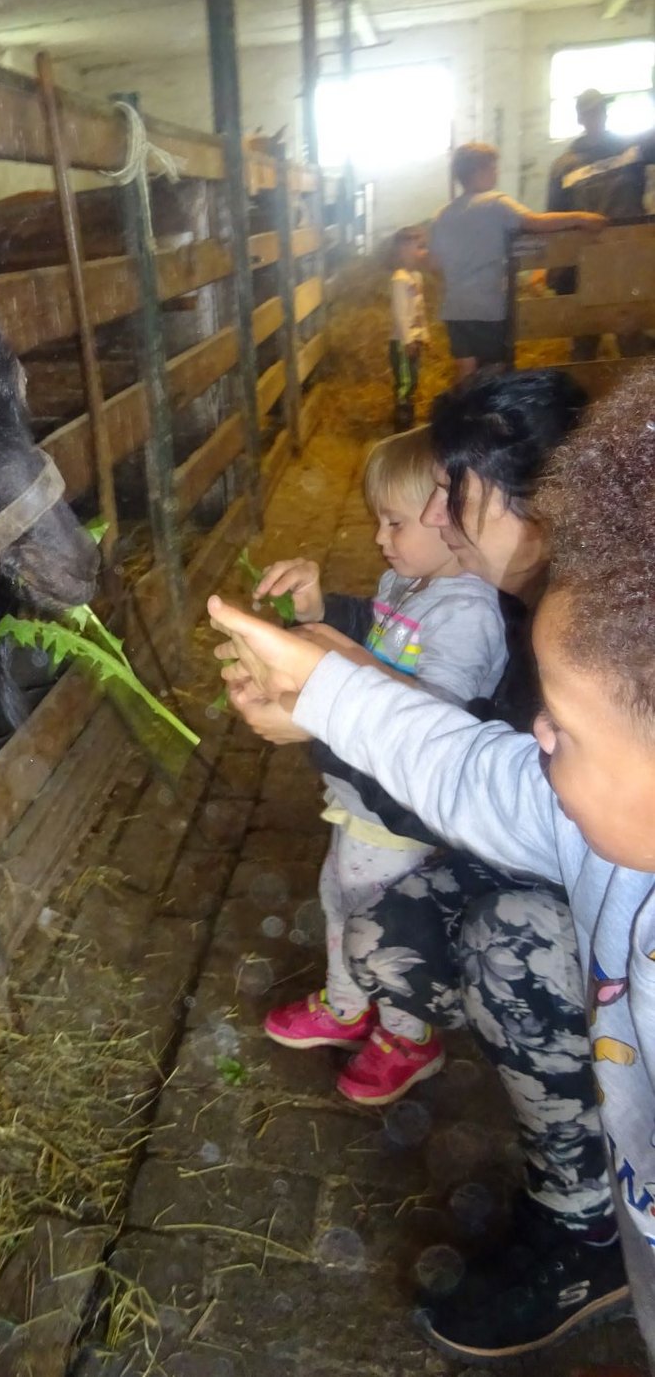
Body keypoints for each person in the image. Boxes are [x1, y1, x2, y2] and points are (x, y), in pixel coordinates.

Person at [210, 363, 655, 1374]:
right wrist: (327, 687)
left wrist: (334, 693)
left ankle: (587, 1226)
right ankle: (588, 1213)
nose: (536, 733)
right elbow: (483, 773)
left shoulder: (566, 626)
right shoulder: (578, 627)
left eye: (455, 493)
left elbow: (475, 755)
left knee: (501, 938)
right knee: (393, 929)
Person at [259, 427, 506, 1106]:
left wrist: (326, 701)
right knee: (339, 893)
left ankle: (408, 1035)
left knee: (382, 916)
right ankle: (347, 1006)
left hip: (403, 805)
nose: (379, 538)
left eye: (394, 523)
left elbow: (435, 720)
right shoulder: (410, 579)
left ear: (448, 517)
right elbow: (379, 632)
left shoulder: (468, 613)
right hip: (364, 794)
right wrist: (320, 615)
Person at [430, 142, 605, 381]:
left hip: (456, 308)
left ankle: (467, 405)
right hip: (488, 306)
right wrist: (580, 218)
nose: (496, 173)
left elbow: (435, 263)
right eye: (493, 168)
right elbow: (535, 222)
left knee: (466, 369)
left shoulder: (441, 215)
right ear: (480, 170)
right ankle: (494, 404)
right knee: (495, 369)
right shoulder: (495, 202)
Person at [547, 87, 655, 361]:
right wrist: (558, 270)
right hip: (587, 259)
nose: (596, 116)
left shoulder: (633, 148)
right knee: (585, 335)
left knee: (631, 334)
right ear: (580, 118)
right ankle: (583, 386)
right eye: (589, 112)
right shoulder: (564, 165)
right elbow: (556, 215)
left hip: (628, 256)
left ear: (606, 113)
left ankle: (636, 389)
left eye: (600, 110)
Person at [388, 227, 429, 430]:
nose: (424, 252)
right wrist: (407, 340)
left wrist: (424, 335)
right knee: (405, 381)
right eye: (419, 247)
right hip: (402, 342)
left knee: (413, 378)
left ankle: (408, 414)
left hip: (414, 339)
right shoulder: (400, 279)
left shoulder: (416, 277)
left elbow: (420, 309)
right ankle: (402, 421)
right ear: (404, 250)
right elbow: (400, 313)